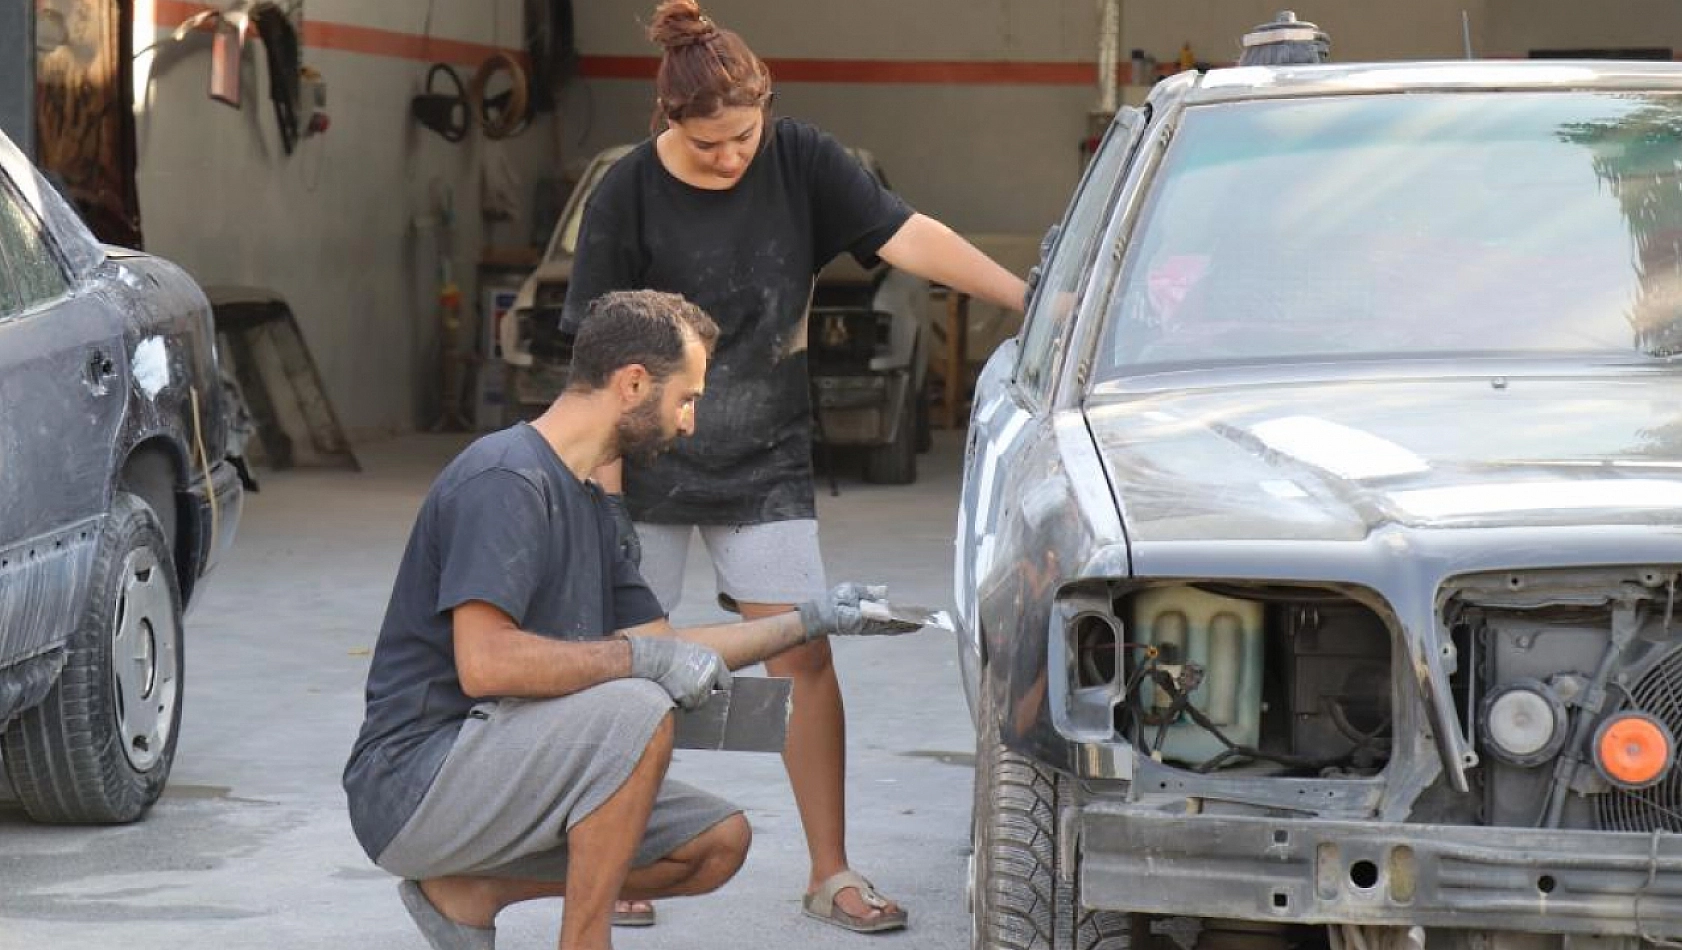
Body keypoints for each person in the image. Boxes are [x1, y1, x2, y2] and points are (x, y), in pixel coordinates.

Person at [559, 0, 1027, 932]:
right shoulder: (625, 195)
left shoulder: (804, 159)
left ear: (765, 109)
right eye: (708, 145)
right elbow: (591, 367)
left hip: (764, 453)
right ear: (667, 123)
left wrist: (1031, 296)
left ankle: (831, 870)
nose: (731, 157)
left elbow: (907, 235)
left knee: (804, 655)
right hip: (642, 461)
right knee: (632, 671)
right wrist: (603, 498)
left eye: (743, 135)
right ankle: (627, 863)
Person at [342, 289, 924, 950]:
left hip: (500, 762)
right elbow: (487, 664)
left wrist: (815, 619)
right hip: (417, 784)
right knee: (639, 705)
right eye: (687, 398)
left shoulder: (589, 502)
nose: (690, 423)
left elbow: (664, 645)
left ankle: (474, 892)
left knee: (714, 844)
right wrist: (641, 664)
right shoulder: (505, 481)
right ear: (633, 384)